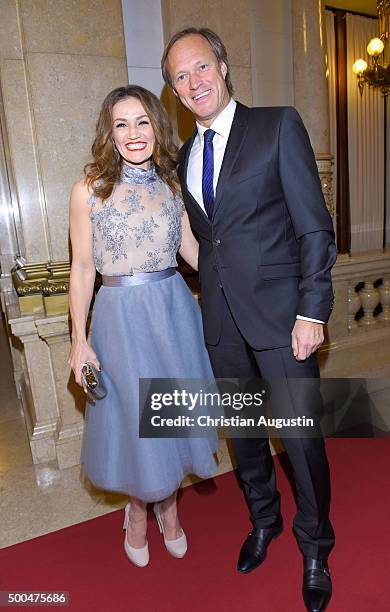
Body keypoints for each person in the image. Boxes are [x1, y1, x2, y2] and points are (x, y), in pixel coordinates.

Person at [162, 28, 336, 611]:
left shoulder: (277, 125)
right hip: (221, 323)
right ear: (175, 92)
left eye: (201, 67)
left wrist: (313, 309)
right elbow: (207, 244)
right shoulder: (184, 158)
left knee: (301, 437)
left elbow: (313, 225)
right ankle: (266, 520)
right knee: (245, 436)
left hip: (286, 319)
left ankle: (315, 544)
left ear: (224, 66)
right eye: (181, 77)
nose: (194, 82)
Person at [67, 84, 218, 568]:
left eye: (143, 122)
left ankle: (169, 510)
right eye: (121, 124)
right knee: (137, 422)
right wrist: (78, 340)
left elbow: (192, 253)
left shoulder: (174, 186)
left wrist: (241, 284)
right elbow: (83, 269)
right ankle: (138, 512)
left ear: (157, 126)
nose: (134, 133)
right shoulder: (90, 189)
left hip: (173, 311)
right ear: (109, 134)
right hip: (118, 316)